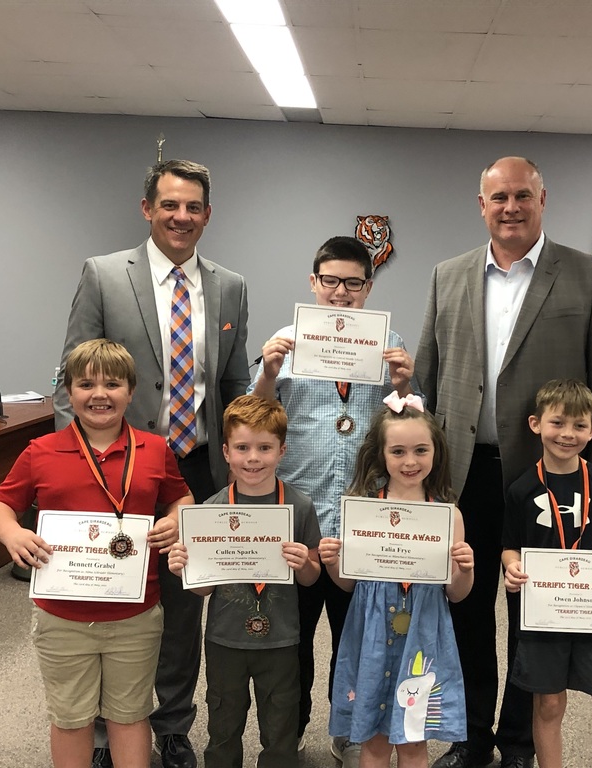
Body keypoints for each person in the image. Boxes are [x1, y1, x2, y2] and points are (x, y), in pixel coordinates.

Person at [416, 156, 592, 768]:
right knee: (466, 610)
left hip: (550, 479)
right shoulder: (447, 275)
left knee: (533, 619)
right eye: (498, 198)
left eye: (522, 197)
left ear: (543, 199)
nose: (510, 207)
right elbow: (427, 387)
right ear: (480, 204)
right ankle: (470, 738)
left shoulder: (589, 277)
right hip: (462, 476)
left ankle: (516, 743)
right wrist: (419, 481)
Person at [53, 159, 250, 768]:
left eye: (193, 208)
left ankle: (170, 727)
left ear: (207, 216)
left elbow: (234, 384)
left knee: (183, 603)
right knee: (116, 597)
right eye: (170, 205)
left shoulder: (230, 286)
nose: (181, 217)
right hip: (118, 468)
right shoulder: (106, 274)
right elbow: (70, 378)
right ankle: (112, 733)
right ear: (147, 209)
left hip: (194, 469)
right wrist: (82, 465)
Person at [0, 339, 194, 768]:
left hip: (135, 613)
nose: (100, 394)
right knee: (70, 718)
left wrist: (177, 519)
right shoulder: (40, 451)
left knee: (131, 714)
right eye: (86, 384)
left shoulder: (155, 449)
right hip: (61, 615)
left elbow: (181, 497)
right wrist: (12, 534)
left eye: (112, 383)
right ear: (69, 392)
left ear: (131, 392)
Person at [250, 235, 416, 767]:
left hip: (360, 519)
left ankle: (348, 732)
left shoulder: (387, 341)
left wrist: (406, 385)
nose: (340, 294)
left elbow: (409, 428)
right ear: (312, 282)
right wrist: (269, 373)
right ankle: (287, 736)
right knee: (290, 641)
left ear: (368, 287)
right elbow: (253, 423)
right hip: (298, 515)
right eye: (330, 281)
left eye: (353, 283)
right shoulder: (284, 340)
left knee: (357, 639)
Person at [319, 392, 474, 768]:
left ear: (436, 452)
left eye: (421, 450)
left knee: (413, 742)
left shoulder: (448, 515)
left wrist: (464, 569)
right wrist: (333, 564)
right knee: (373, 739)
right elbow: (348, 585)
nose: (410, 461)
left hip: (423, 636)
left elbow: (457, 594)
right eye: (398, 451)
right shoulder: (362, 508)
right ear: (380, 454)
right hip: (370, 632)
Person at [167, 395, 321, 768]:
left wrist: (303, 564)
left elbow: (313, 576)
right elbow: (203, 589)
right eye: (242, 448)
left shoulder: (298, 506)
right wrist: (184, 570)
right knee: (222, 726)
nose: (253, 458)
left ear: (282, 450)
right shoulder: (210, 511)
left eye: (265, 447)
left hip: (282, 639)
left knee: (281, 728)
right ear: (225, 451)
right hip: (225, 640)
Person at [502, 379, 592, 768]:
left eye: (579, 426)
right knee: (548, 708)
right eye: (558, 423)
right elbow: (510, 545)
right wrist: (511, 567)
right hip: (543, 616)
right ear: (536, 424)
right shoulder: (521, 489)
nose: (567, 434)